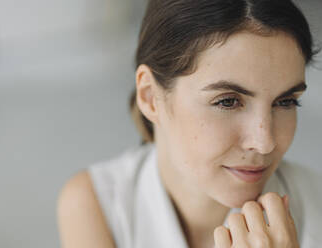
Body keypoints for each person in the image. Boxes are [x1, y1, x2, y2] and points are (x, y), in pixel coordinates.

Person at [56, 0, 322, 247]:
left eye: (286, 101)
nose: (265, 143)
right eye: (228, 102)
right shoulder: (97, 204)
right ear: (150, 97)